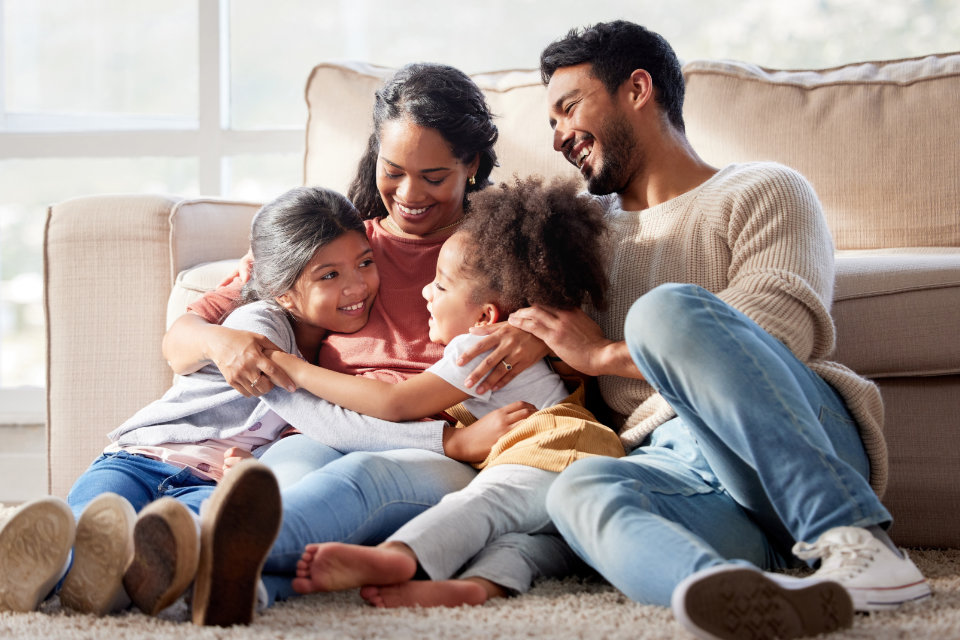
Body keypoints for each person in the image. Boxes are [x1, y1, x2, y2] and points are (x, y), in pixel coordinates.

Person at [457, 20, 931, 640]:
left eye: (568, 108)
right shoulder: (577, 231)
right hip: (680, 471)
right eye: (549, 123)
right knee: (577, 490)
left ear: (637, 88)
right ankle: (737, 598)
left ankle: (858, 541)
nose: (557, 137)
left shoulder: (765, 188)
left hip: (792, 440)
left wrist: (602, 353)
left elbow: (775, 327)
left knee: (665, 310)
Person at [161, 63, 578, 617]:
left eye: (433, 176)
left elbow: (581, 336)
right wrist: (222, 345)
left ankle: (182, 554)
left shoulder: (498, 247)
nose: (409, 194)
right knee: (283, 482)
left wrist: (537, 338)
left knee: (360, 481)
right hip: (327, 423)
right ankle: (243, 587)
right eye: (393, 170)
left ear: (471, 164)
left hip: (433, 442)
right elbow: (185, 335)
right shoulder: (338, 237)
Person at [0, 186, 403, 621]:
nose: (357, 285)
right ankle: (51, 566)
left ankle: (103, 584)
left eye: (365, 262)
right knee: (91, 522)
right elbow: (319, 415)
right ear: (282, 291)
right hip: (139, 459)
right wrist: (448, 442)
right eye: (330, 276)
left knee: (180, 545)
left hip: (211, 484)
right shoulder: (259, 328)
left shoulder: (349, 358)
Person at [258, 176, 623, 608]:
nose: (426, 292)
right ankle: (478, 587)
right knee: (525, 540)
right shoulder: (498, 337)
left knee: (485, 504)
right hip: (576, 460)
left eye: (443, 286)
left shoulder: (476, 347)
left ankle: (399, 557)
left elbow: (394, 403)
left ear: (486, 315)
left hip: (558, 448)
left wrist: (294, 368)